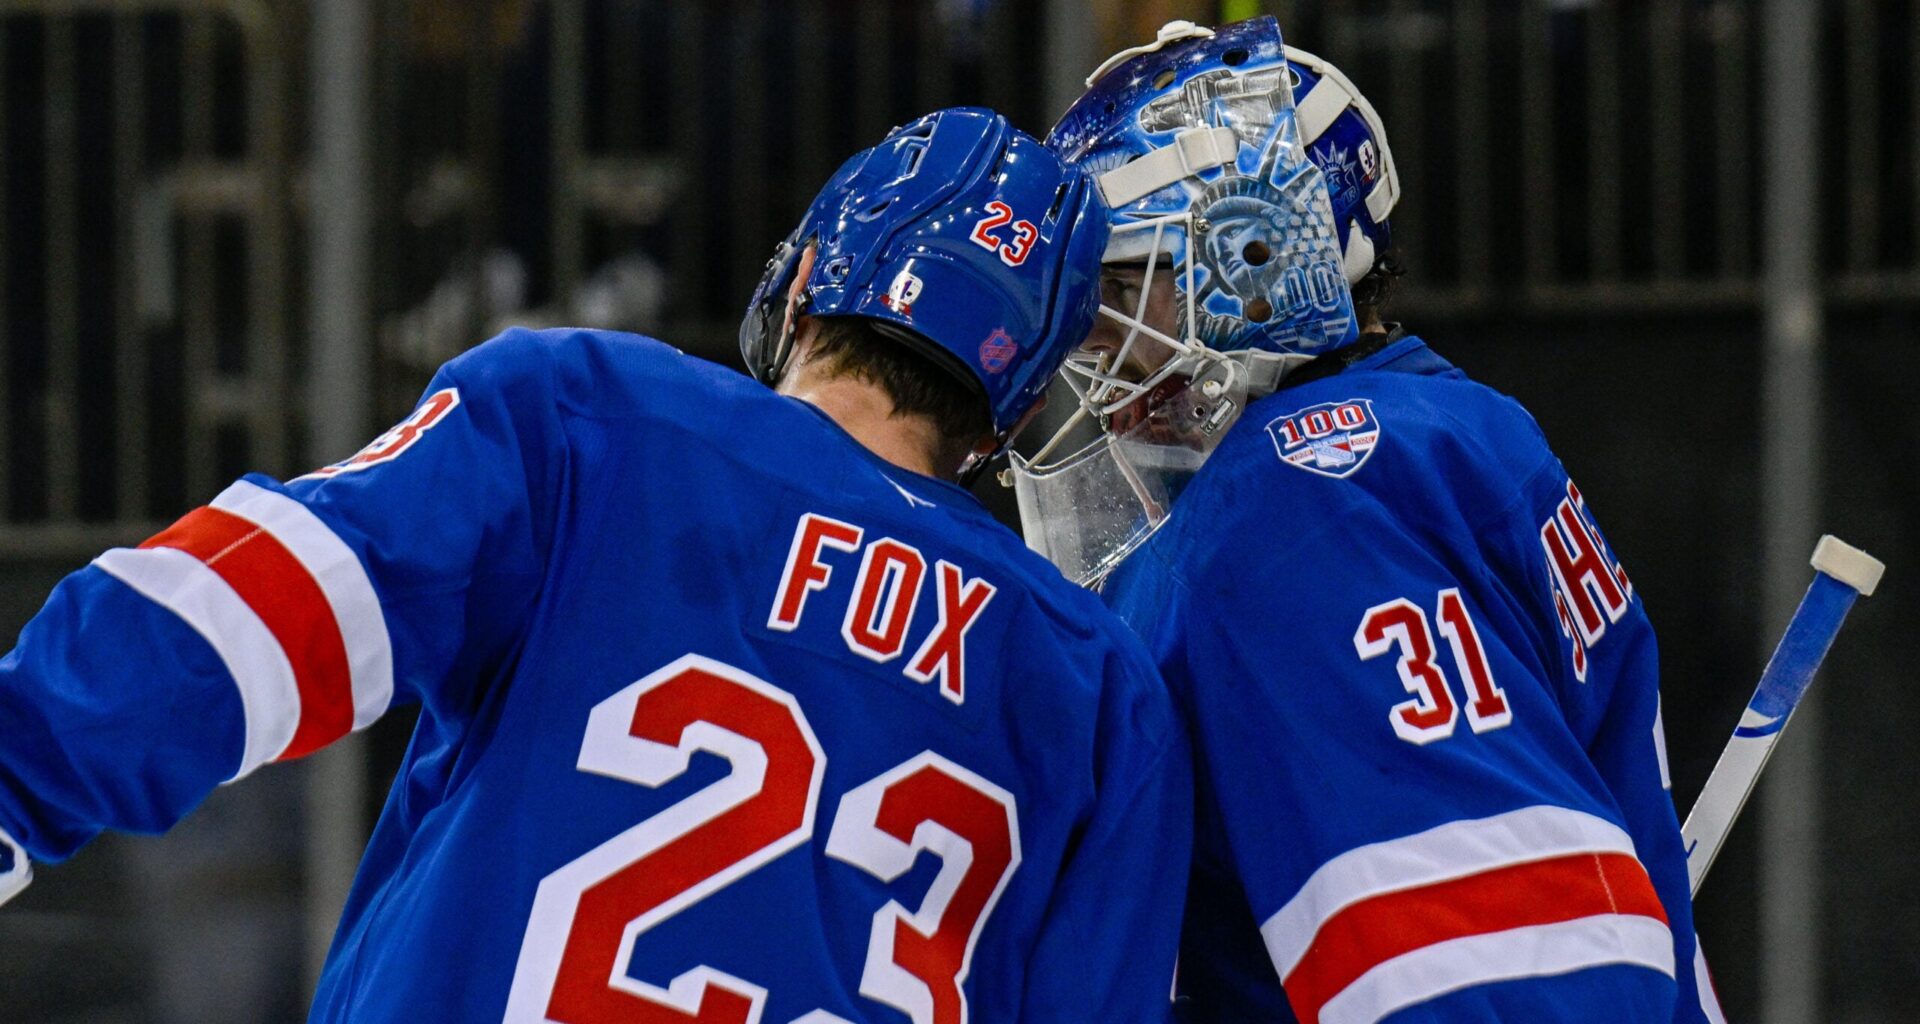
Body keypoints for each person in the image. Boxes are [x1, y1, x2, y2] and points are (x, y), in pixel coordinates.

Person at [0, 108, 1192, 1023]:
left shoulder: (593, 415)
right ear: (1011, 405)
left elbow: (254, 610)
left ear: (815, 271)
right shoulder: (1098, 681)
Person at [1010, 19, 1727, 1024]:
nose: (1100, 349)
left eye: (1128, 286)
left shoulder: (1303, 492)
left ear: (1257, 252)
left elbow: (1486, 971)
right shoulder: (1446, 427)